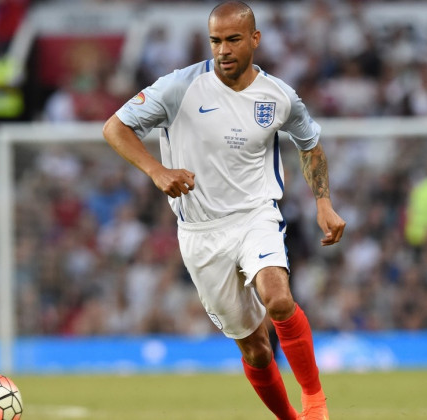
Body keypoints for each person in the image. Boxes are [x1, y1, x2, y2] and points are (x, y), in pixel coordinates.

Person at [102, 2, 345, 419]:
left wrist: (323, 201)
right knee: (254, 349)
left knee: (279, 299)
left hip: (255, 216)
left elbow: (310, 143)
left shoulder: (278, 96)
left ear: (255, 39)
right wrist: (157, 170)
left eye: (233, 39)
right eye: (216, 40)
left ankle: (315, 401)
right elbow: (114, 127)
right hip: (199, 233)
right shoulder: (179, 87)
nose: (223, 49)